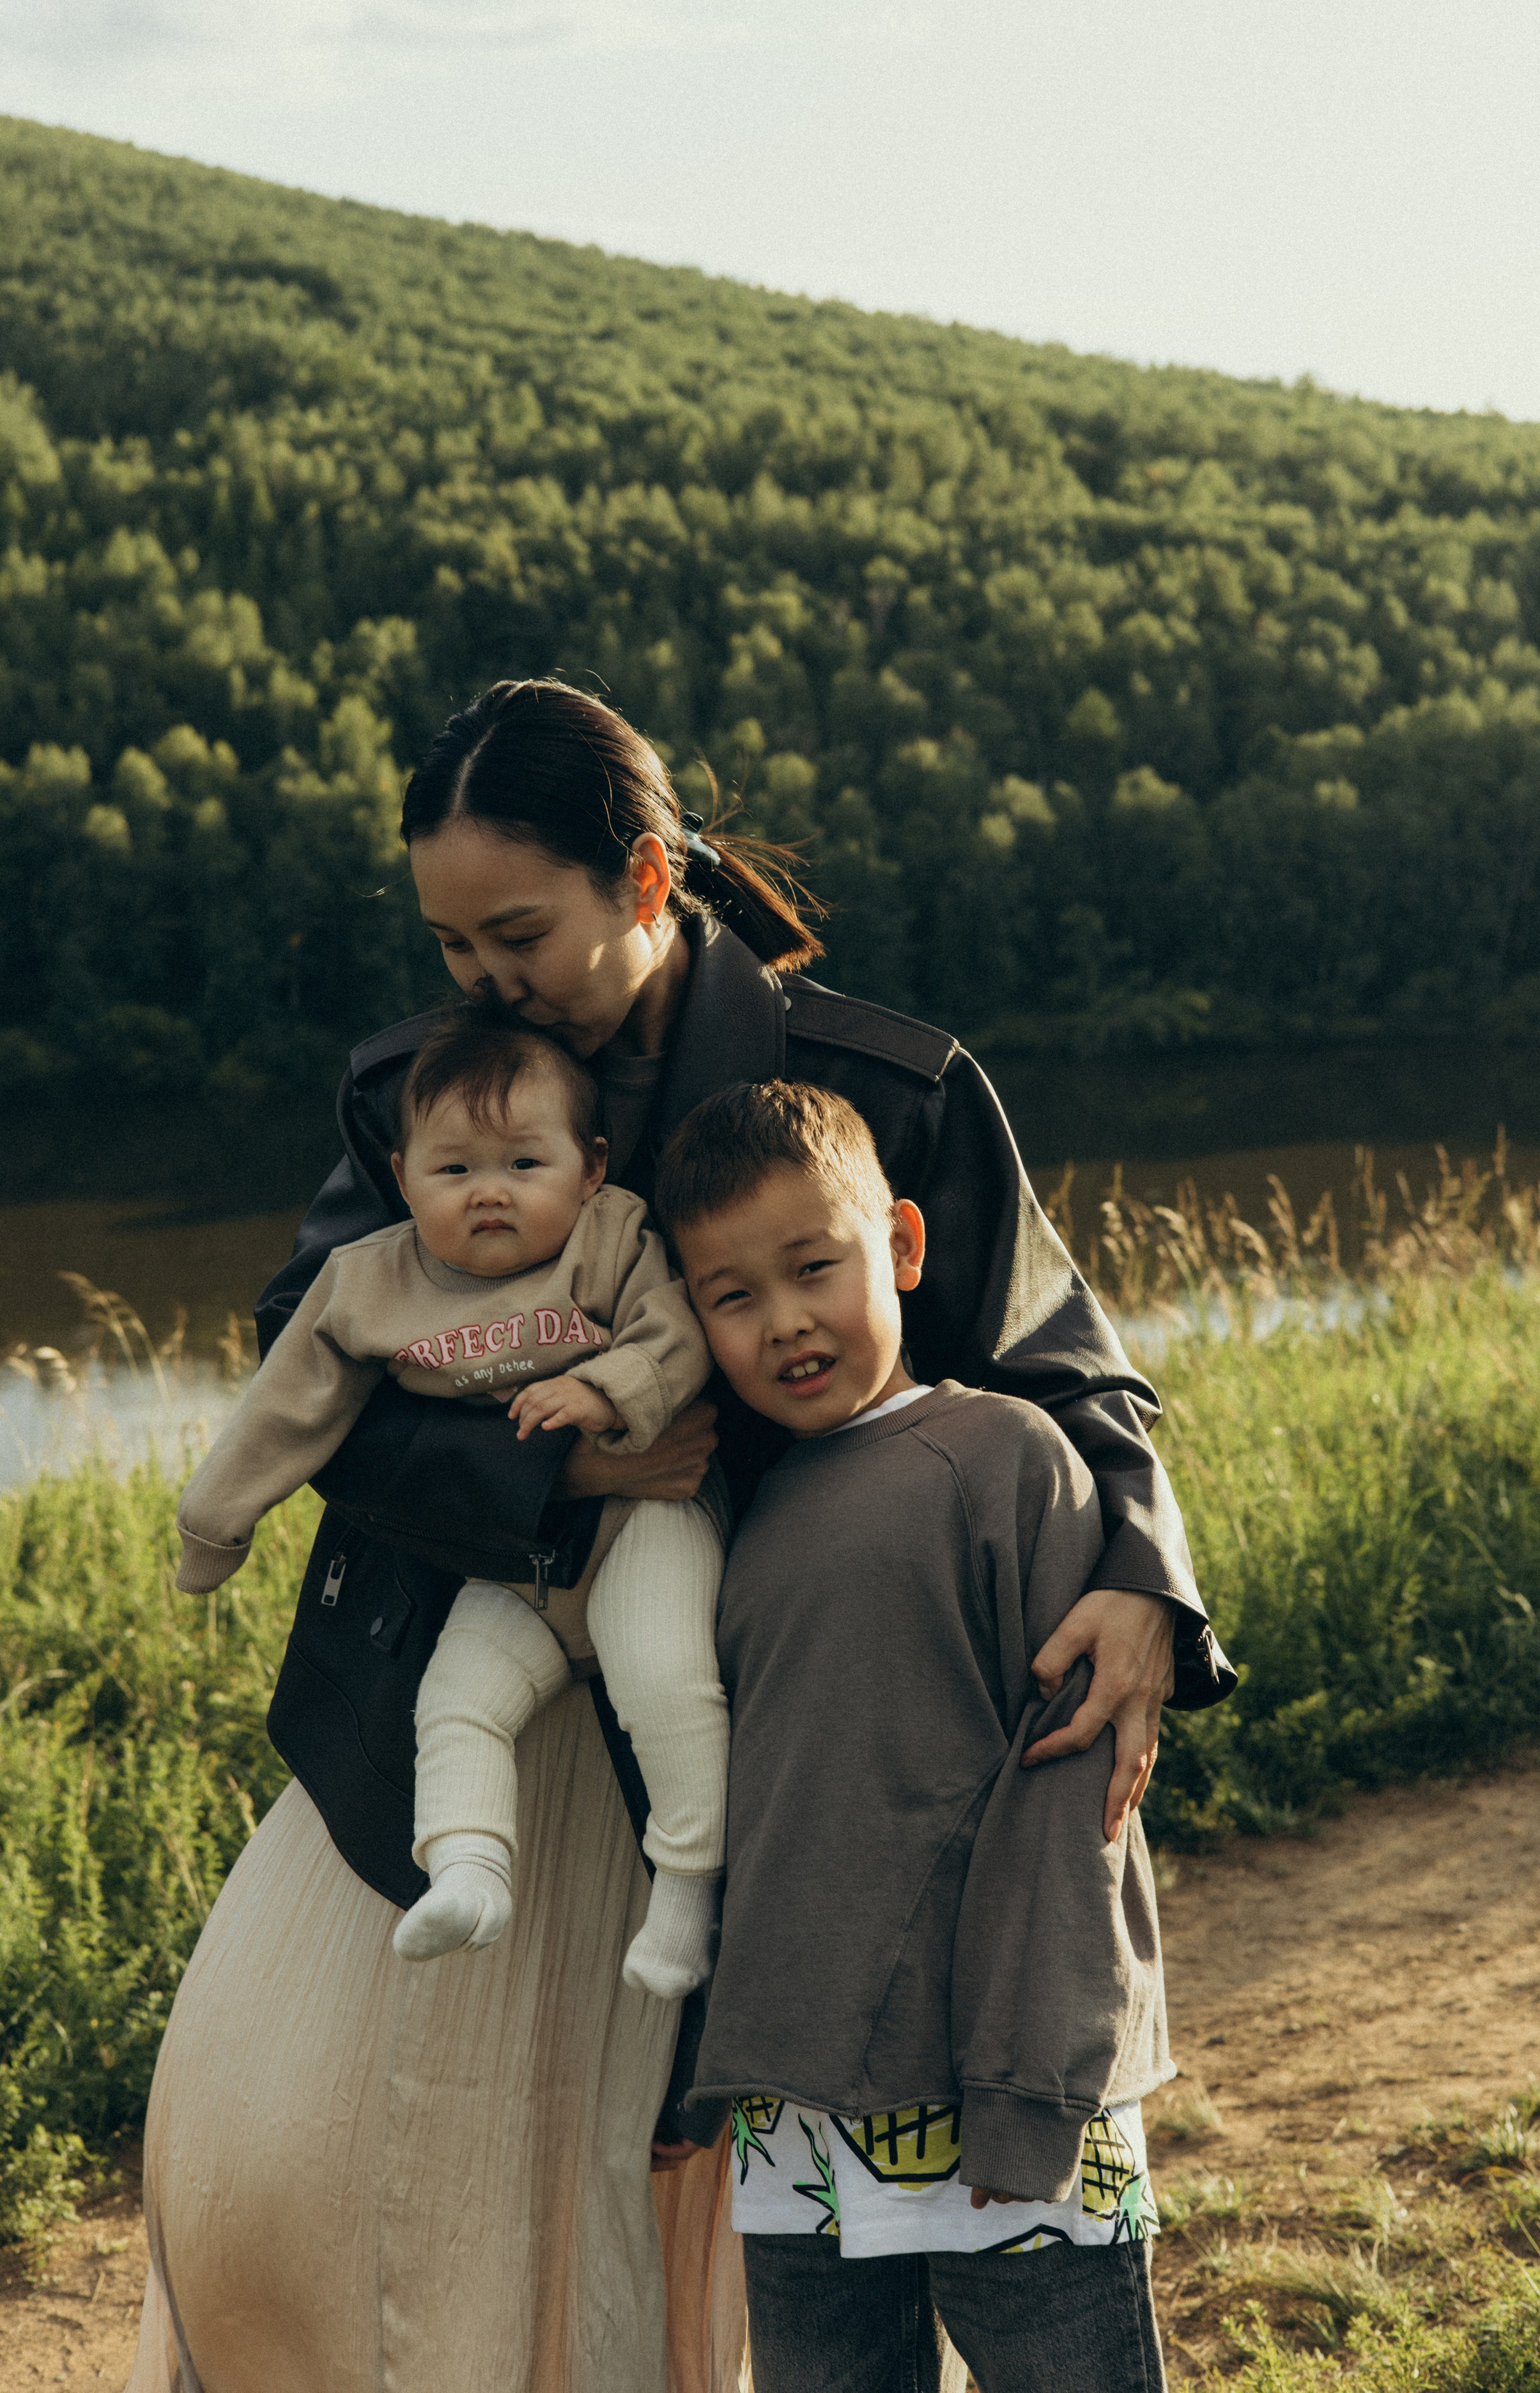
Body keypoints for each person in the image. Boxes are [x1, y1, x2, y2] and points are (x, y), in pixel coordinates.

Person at [130, 678, 1233, 2393]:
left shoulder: (885, 1089)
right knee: (293, 2186)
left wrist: (1139, 1582)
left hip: (790, 1758)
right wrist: (550, 1478)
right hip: (464, 1721)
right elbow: (315, 1363)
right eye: (451, 948)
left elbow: (1070, 1372)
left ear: (648, 880)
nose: (485, 984)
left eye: (519, 934)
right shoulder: (411, 1097)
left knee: (751, 2268)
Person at [659, 1080, 1171, 2393]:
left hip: (997, 2090)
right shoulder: (750, 1513)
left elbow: (1078, 1810)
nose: (783, 1324)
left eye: (811, 1268)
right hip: (800, 2118)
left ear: (898, 1245)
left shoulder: (1002, 1458)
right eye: (731, 1297)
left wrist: (1032, 2086)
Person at [171, 1001, 728, 1993]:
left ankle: (687, 1891)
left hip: (642, 1523)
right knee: (460, 1700)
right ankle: (470, 1871)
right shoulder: (367, 1284)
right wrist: (215, 1524)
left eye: (525, 1165)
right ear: (402, 1179)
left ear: (591, 1167)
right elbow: (285, 1409)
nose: (490, 1195)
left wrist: (605, 1386)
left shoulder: (611, 1237)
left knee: (666, 1679)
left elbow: (675, 1333)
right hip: (512, 1556)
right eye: (455, 1170)